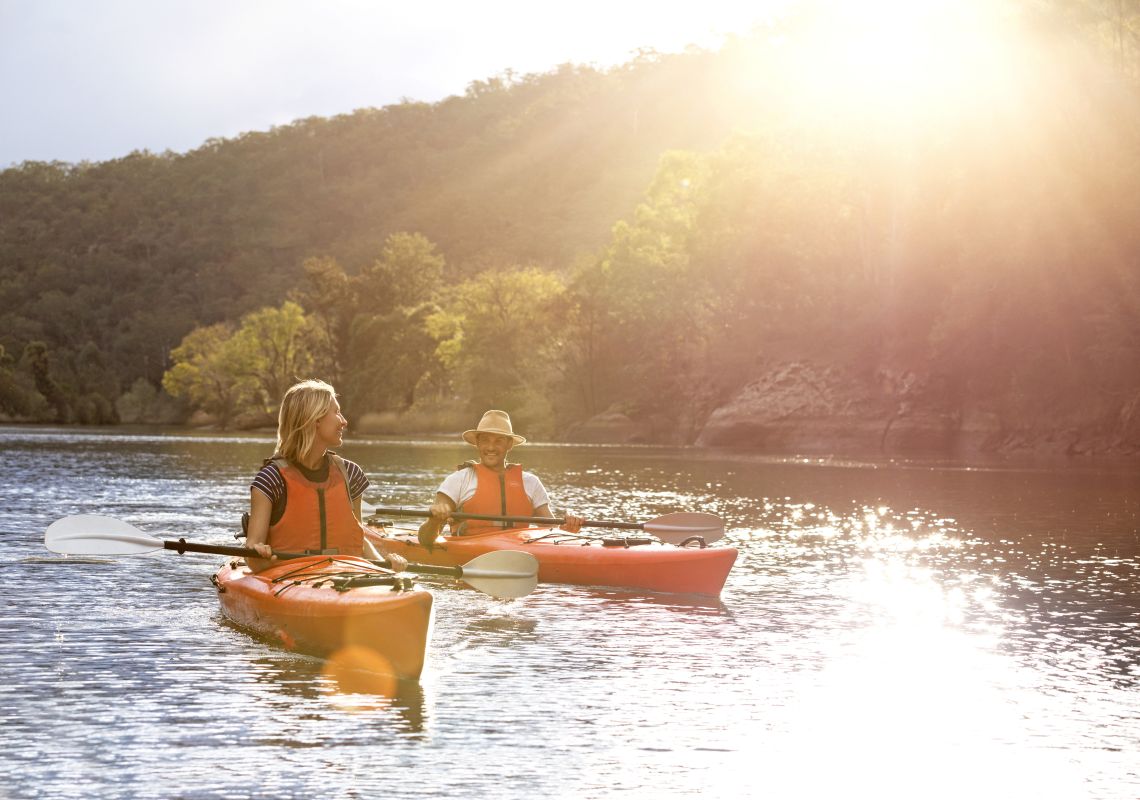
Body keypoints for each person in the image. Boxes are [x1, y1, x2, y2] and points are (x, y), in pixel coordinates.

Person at [245, 379, 407, 574]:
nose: (344, 421)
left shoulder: (351, 474)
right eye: (337, 412)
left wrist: (385, 566)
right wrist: (260, 553)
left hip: (345, 575)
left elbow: (357, 537)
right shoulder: (271, 479)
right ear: (316, 419)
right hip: (289, 578)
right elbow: (252, 555)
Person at [417, 409, 585, 550]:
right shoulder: (458, 481)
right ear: (477, 443)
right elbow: (425, 540)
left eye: (499, 441)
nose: (491, 447)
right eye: (485, 440)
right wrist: (434, 520)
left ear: (509, 444)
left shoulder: (531, 483)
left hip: (519, 554)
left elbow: (552, 533)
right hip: (469, 553)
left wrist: (567, 529)